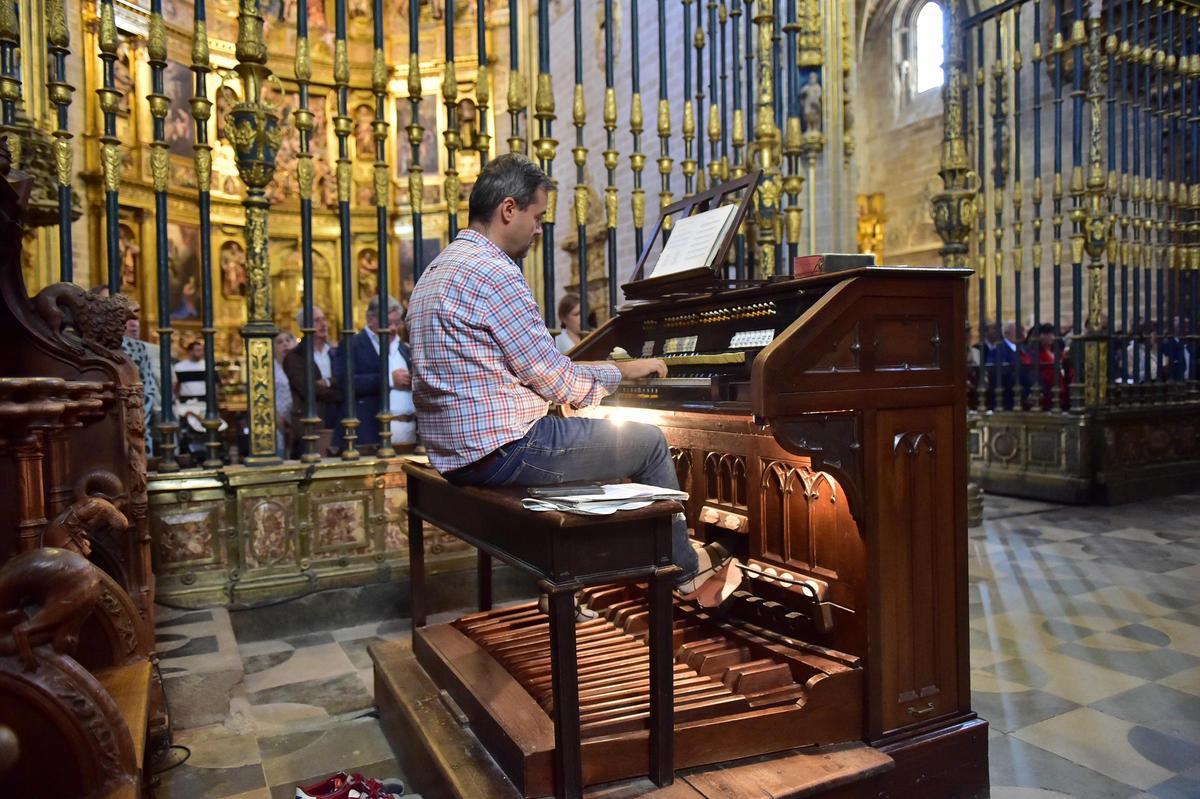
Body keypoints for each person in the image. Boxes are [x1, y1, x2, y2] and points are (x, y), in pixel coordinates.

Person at [406, 152, 733, 601]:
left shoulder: (436, 271)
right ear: (508, 209)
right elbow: (558, 381)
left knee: (600, 438)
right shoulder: (494, 273)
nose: (539, 230)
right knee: (648, 443)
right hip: (503, 452)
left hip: (456, 454)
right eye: (537, 217)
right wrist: (624, 371)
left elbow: (526, 369)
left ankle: (618, 574)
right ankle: (682, 572)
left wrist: (598, 377)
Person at [332, 294, 405, 452]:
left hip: (406, 436)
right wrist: (389, 380)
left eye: (397, 323)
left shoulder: (403, 347)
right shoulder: (352, 344)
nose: (393, 328)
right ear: (370, 319)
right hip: (366, 433)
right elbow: (345, 382)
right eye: (388, 323)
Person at [283, 306, 342, 457]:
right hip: (311, 424)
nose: (323, 324)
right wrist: (340, 391)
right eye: (317, 321)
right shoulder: (295, 357)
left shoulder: (335, 352)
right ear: (304, 327)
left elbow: (347, 379)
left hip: (338, 419)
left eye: (323, 319)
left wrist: (328, 382)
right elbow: (309, 389)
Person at [274, 331, 297, 457]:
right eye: (280, 342)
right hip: (277, 420)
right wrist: (277, 417)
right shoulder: (271, 369)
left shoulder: (298, 366)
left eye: (288, 340)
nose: (285, 344)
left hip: (296, 419)